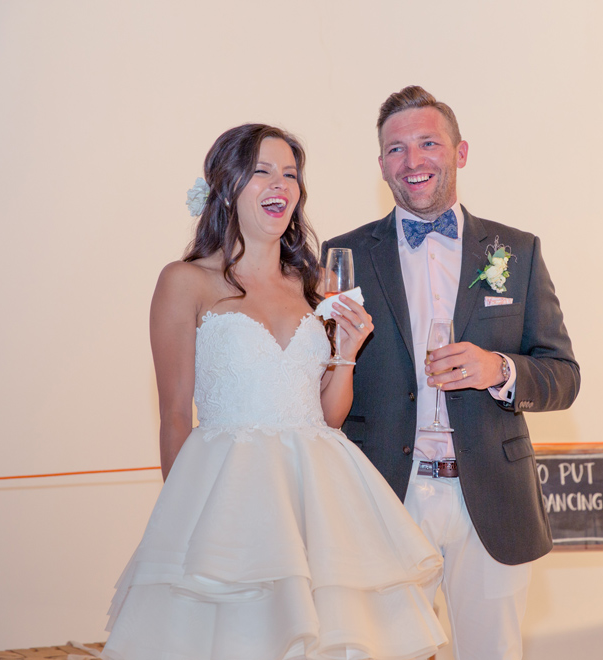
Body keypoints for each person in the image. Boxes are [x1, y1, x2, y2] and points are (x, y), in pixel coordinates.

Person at [105, 124, 447, 660]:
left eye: (290, 174)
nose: (280, 184)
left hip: (320, 494)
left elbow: (328, 417)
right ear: (226, 187)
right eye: (262, 171)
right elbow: (174, 415)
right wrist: (184, 525)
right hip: (231, 493)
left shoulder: (312, 285)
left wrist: (346, 353)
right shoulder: (184, 281)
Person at [323, 85, 580, 660]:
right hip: (383, 498)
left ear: (460, 152)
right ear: (381, 164)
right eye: (396, 149)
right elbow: (316, 380)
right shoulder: (342, 255)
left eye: (428, 143)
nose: (412, 161)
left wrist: (498, 369)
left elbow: (563, 376)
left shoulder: (517, 251)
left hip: (490, 499)